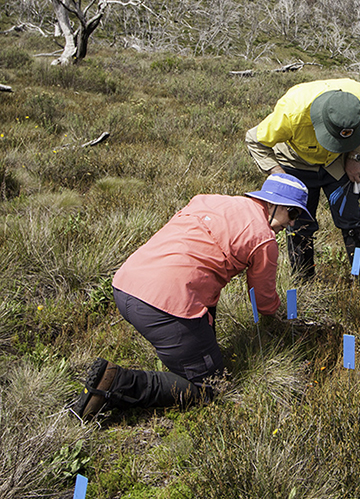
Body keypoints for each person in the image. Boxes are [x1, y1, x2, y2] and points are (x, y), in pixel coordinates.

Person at [75, 174, 312, 419]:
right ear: (275, 204)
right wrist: (281, 315)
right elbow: (263, 300)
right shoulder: (263, 239)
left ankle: (190, 353)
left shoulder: (208, 200)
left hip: (125, 284)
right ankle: (116, 383)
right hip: (164, 306)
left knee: (205, 310)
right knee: (210, 387)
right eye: (293, 215)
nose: (292, 224)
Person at [246, 78, 360, 284]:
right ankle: (304, 280)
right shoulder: (292, 111)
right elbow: (254, 139)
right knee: (298, 222)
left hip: (338, 162)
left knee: (351, 219)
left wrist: (353, 156)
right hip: (296, 162)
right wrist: (277, 174)